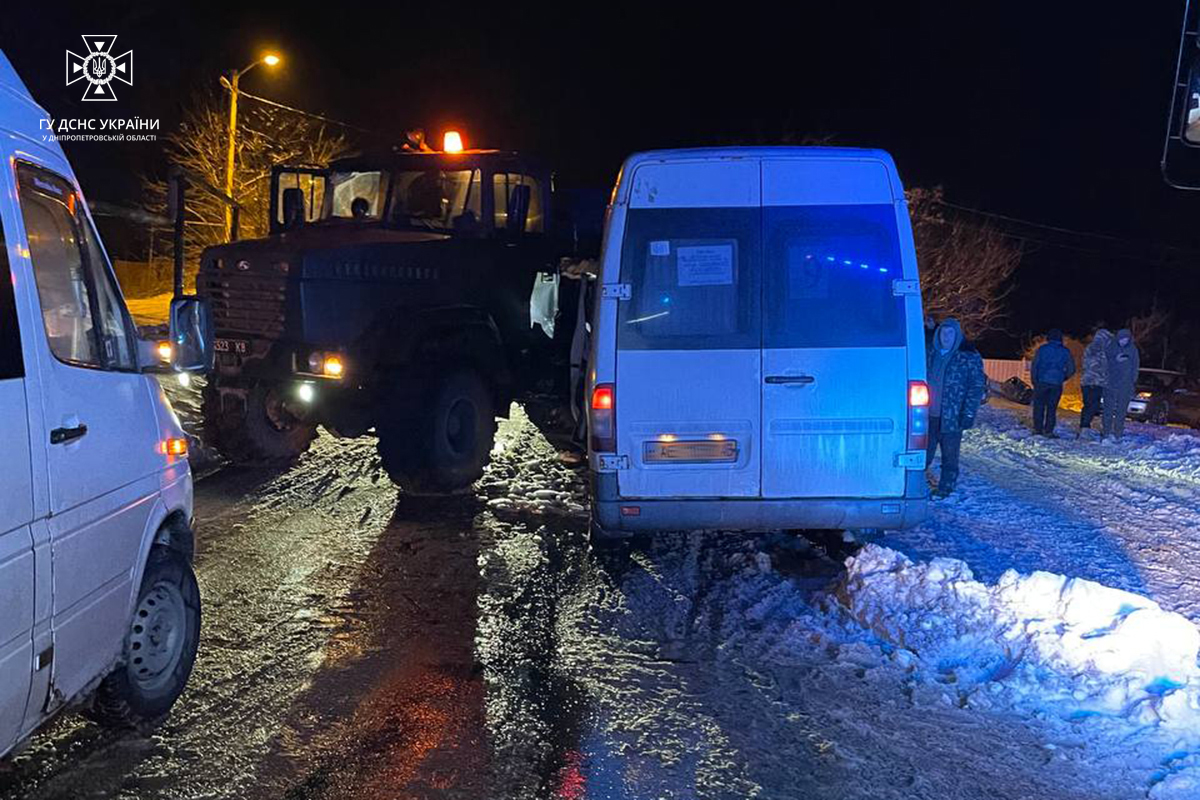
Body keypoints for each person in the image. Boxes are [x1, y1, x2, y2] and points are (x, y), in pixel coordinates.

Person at [926, 319, 986, 498]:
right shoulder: (930, 354)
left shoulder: (968, 356)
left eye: (951, 333)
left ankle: (946, 488)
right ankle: (915, 487)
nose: (946, 337)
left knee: (950, 457)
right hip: (928, 416)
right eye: (943, 333)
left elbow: (976, 386)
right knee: (922, 456)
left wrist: (968, 413)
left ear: (957, 335)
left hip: (952, 418)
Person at [1030, 329, 1076, 437]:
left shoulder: (1042, 350)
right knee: (1052, 408)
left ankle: (1038, 429)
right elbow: (1071, 369)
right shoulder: (1065, 351)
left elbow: (1035, 365)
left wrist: (1034, 380)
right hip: (1056, 384)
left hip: (1041, 382)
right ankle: (1049, 430)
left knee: (1039, 406)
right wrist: (1063, 378)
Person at [1102, 328, 1140, 440]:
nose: (1123, 341)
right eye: (1122, 339)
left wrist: (1133, 382)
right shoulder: (1110, 348)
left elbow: (1135, 367)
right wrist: (1115, 360)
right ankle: (1106, 432)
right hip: (1111, 384)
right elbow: (1104, 365)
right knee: (1108, 409)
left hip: (1125, 386)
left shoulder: (1133, 350)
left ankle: (1118, 432)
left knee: (1121, 410)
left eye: (1126, 339)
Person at [1079, 326, 1112, 435]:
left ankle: (1084, 426)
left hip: (1087, 381)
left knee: (1088, 404)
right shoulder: (1105, 350)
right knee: (1095, 405)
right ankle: (1087, 426)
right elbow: (1106, 367)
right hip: (1097, 381)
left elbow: (1084, 363)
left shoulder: (1090, 348)